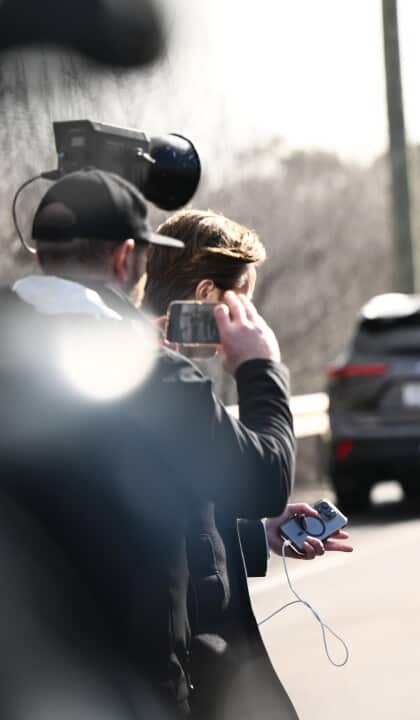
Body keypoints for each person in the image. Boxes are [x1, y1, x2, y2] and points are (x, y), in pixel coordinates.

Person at [0, 169, 295, 716]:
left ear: (41, 254)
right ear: (124, 259)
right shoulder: (152, 376)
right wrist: (260, 369)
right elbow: (265, 479)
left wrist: (247, 531)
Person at [144, 208, 354, 720]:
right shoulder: (164, 380)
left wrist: (259, 531)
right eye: (241, 303)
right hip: (184, 674)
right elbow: (267, 480)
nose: (250, 320)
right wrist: (261, 367)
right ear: (204, 299)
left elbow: (170, 516)